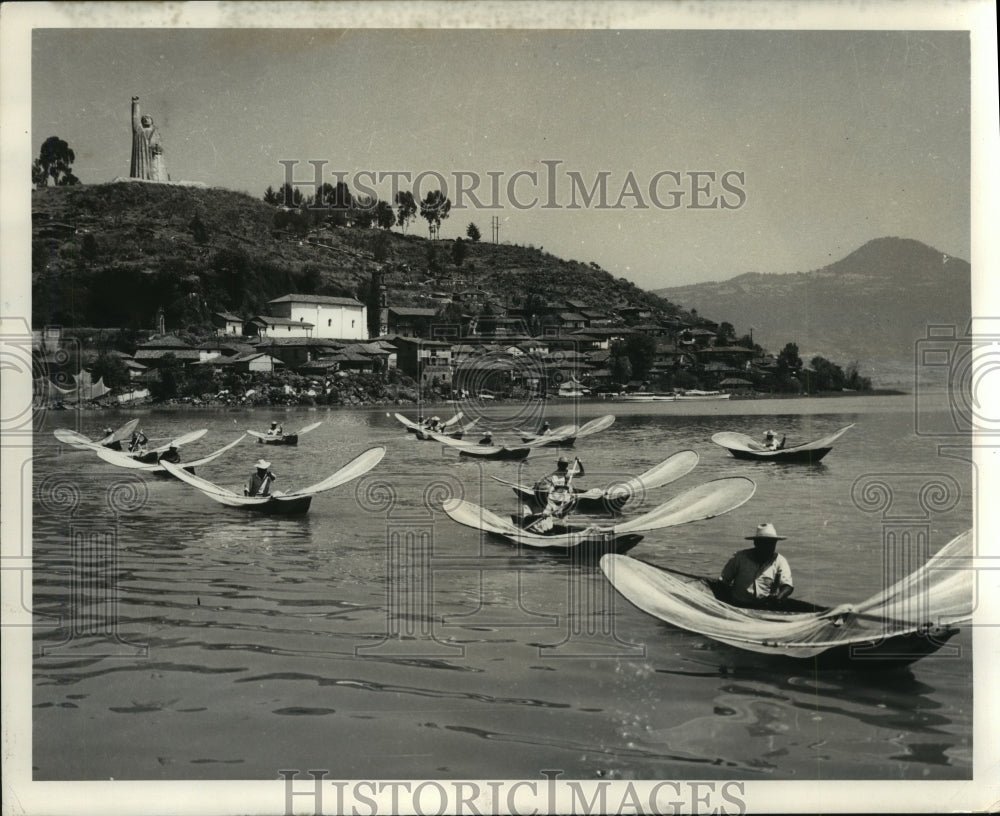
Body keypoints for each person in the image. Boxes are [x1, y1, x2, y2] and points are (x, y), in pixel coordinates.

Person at [720, 523, 794, 607]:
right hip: (738, 605)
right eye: (764, 543)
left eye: (772, 543)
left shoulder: (780, 561)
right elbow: (723, 581)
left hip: (765, 606)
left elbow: (788, 586)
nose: (768, 547)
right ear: (756, 543)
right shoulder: (740, 557)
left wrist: (778, 598)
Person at [130, 96, 167, 182]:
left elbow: (160, 145)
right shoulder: (139, 130)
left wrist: (158, 148)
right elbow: (135, 119)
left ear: (152, 120)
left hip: (153, 157)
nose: (146, 119)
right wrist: (136, 103)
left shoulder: (156, 131)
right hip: (141, 158)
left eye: (148, 118)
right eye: (144, 118)